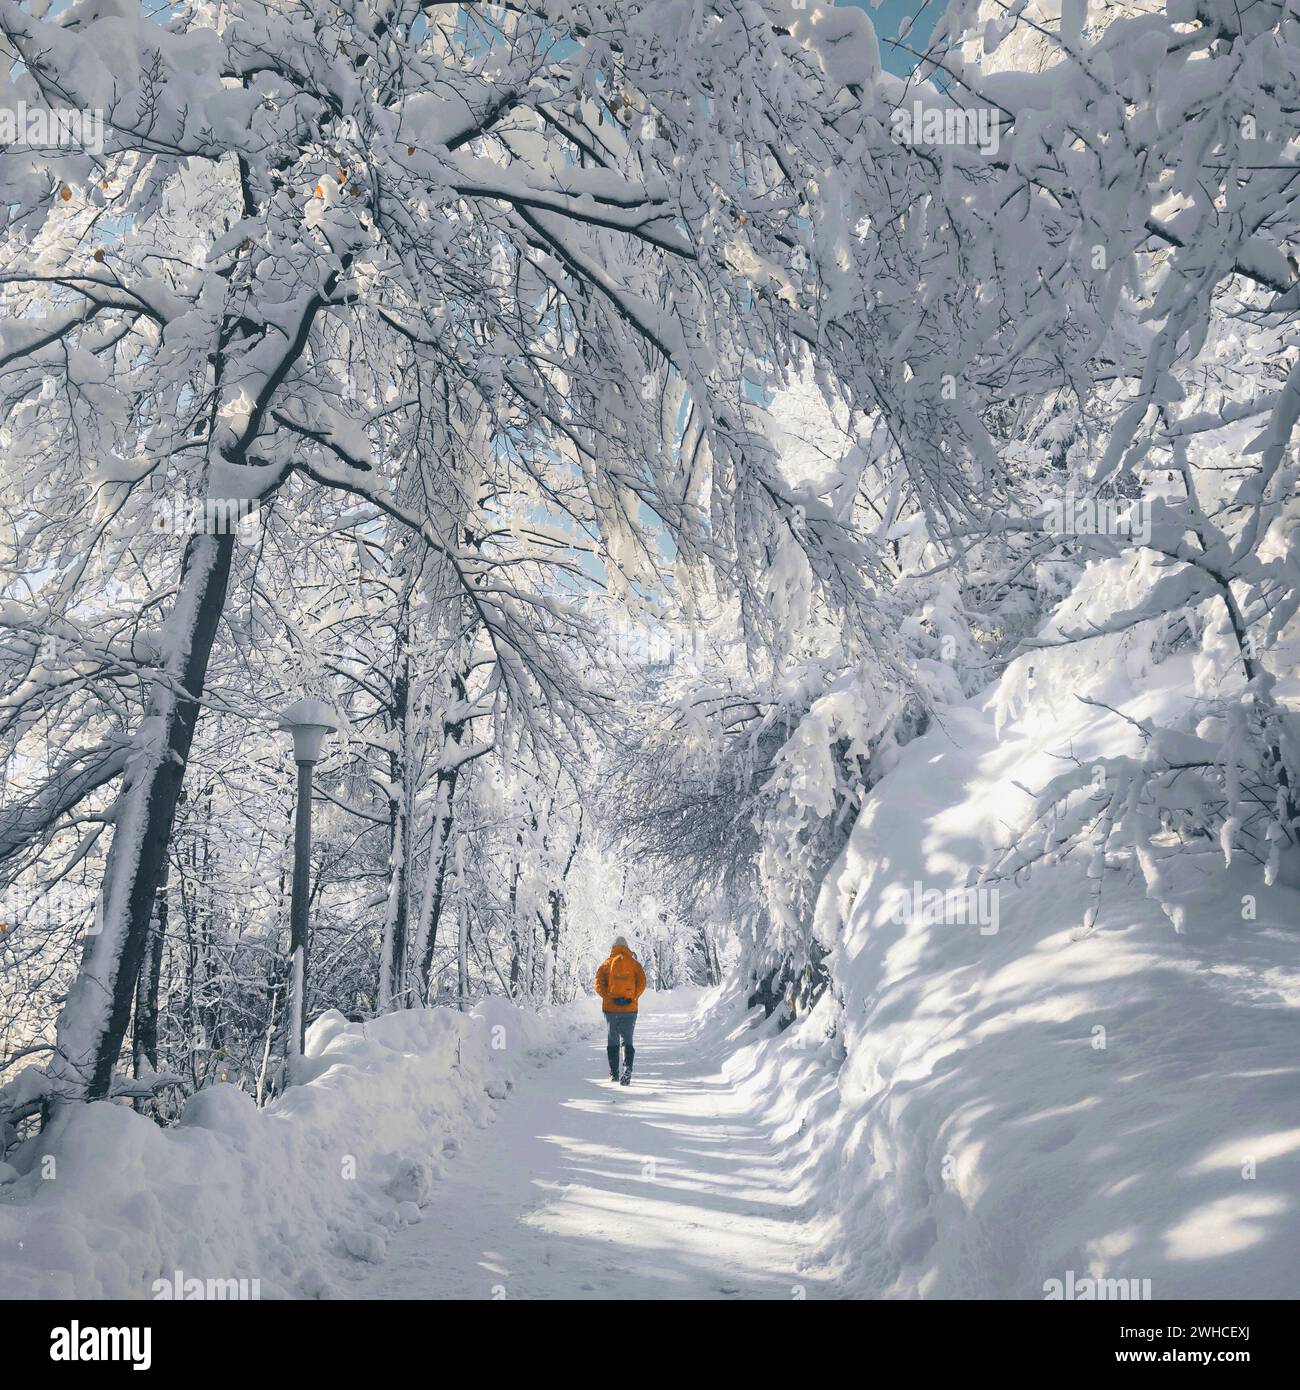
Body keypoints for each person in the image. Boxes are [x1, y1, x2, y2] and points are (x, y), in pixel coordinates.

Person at [594, 936, 646, 1085]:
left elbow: (597, 984)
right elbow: (642, 983)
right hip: (630, 1009)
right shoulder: (635, 964)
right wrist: (633, 997)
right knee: (627, 1040)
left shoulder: (606, 964)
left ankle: (614, 1074)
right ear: (627, 947)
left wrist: (609, 997)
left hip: (611, 1010)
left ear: (613, 947)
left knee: (613, 1040)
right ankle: (627, 1068)